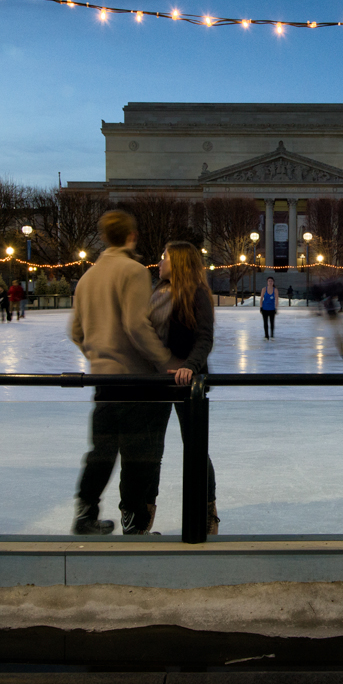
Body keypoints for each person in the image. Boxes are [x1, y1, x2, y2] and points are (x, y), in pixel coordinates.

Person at [70, 210, 180, 535]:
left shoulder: (88, 278)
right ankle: (133, 520)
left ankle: (85, 512)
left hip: (102, 378)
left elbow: (76, 331)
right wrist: (164, 361)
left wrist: (98, 355)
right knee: (137, 453)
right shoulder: (132, 271)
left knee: (101, 449)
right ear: (131, 236)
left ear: (104, 236)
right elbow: (136, 325)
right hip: (135, 377)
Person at [151, 240, 221, 534]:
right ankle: (144, 517)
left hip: (185, 382)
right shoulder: (156, 292)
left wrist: (189, 367)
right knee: (151, 449)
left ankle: (207, 512)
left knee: (195, 447)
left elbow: (204, 338)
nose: (160, 261)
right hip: (154, 381)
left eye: (165, 256)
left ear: (178, 262)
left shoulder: (198, 293)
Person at [320, 280, 343, 360]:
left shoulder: (328, 297)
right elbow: (325, 303)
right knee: (338, 335)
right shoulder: (327, 298)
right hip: (332, 317)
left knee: (340, 334)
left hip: (334, 317)